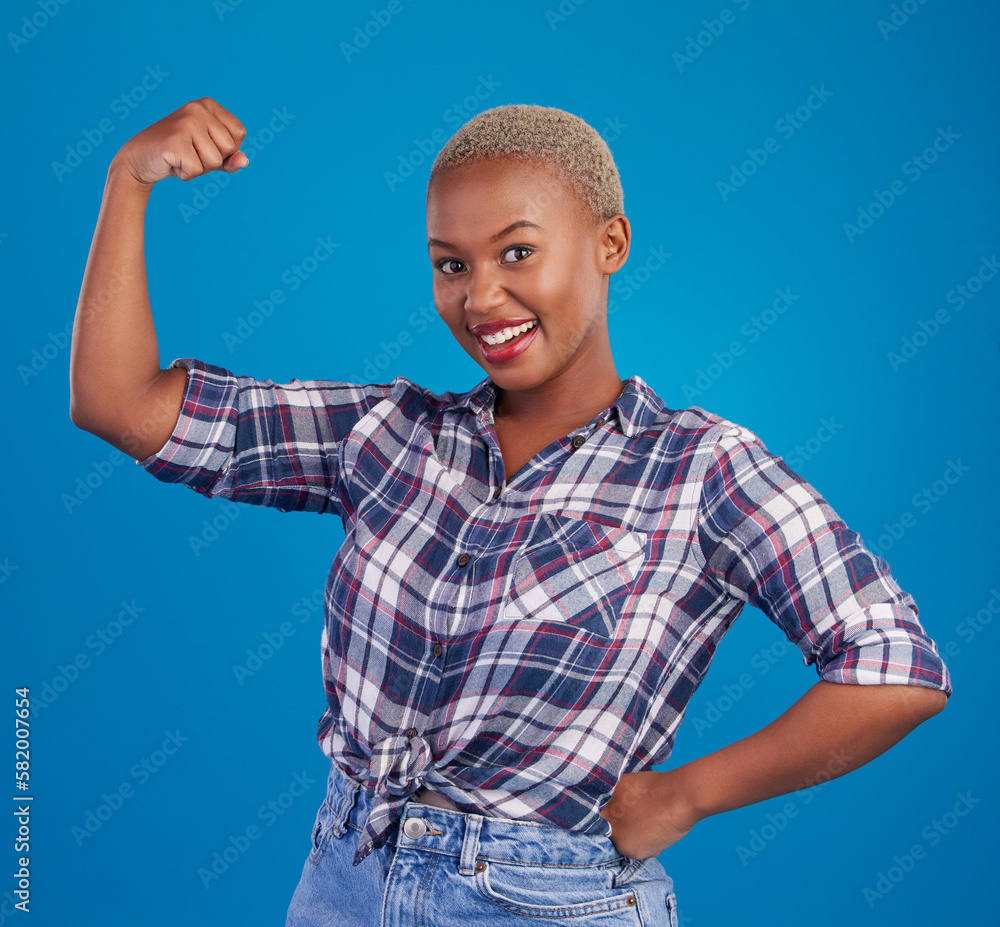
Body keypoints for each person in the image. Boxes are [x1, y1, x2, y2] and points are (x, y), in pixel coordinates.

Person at [70, 97, 951, 926]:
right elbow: (121, 404)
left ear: (610, 243)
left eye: (517, 252)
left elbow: (897, 668)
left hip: (546, 896)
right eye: (451, 264)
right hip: (345, 876)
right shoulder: (387, 434)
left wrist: (686, 795)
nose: (481, 297)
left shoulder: (701, 470)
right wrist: (128, 180)